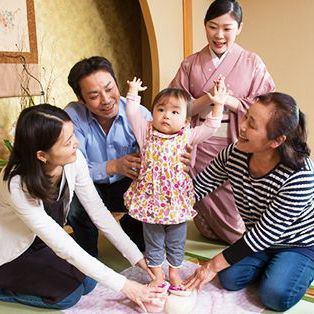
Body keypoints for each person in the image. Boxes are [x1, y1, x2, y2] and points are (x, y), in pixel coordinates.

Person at [0, 104, 165, 311]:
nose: (77, 144)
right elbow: (61, 243)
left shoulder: (73, 160)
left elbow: (98, 212)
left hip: (41, 243)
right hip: (15, 252)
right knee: (68, 297)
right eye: (68, 142)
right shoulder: (16, 184)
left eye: (73, 136)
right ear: (42, 155)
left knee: (89, 282)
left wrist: (137, 258)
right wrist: (127, 287)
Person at [184, 92, 314, 312]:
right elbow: (199, 187)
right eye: (246, 117)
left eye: (251, 125)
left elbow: (266, 233)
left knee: (274, 295)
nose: (241, 127)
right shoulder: (235, 153)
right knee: (229, 279)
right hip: (258, 241)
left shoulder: (299, 175)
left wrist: (211, 265)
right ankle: (274, 267)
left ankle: (295, 267)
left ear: (276, 141)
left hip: (298, 244)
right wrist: (163, 204)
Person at [170, 0, 275, 244]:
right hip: (199, 141)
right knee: (200, 200)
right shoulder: (190, 63)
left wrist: (228, 100)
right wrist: (209, 98)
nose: (219, 35)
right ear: (205, 26)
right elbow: (177, 107)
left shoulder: (252, 63)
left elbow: (267, 105)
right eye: (212, 26)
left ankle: (246, 242)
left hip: (238, 140)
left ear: (239, 28)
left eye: (227, 28)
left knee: (234, 210)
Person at [124, 77, 227, 293]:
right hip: (150, 199)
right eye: (161, 109)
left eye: (174, 112)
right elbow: (132, 112)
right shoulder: (146, 131)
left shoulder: (188, 135)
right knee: (152, 238)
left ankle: (174, 271)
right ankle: (157, 273)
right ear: (153, 113)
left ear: (187, 121)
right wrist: (133, 92)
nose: (166, 115)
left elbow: (211, 126)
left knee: (177, 237)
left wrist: (218, 104)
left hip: (176, 202)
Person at [65, 56, 152, 256]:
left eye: (109, 88)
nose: (106, 100)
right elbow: (73, 168)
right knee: (75, 204)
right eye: (94, 95)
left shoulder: (138, 113)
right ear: (81, 99)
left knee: (155, 191)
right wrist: (113, 166)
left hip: (128, 185)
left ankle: (132, 228)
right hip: (88, 184)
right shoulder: (72, 117)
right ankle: (86, 258)